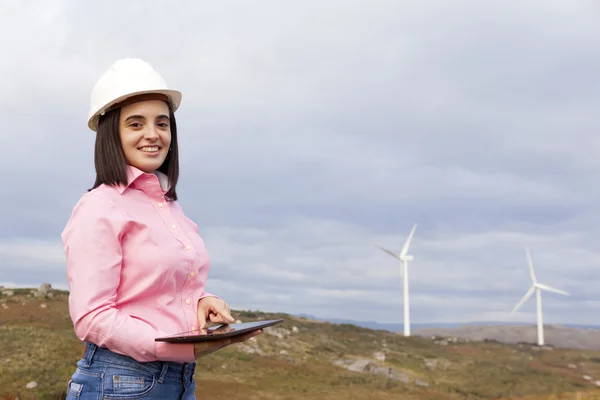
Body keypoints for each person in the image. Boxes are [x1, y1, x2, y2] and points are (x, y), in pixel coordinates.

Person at [61, 58, 262, 399]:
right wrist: (173, 347)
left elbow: (156, 289)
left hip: (180, 380)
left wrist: (202, 301)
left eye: (162, 123)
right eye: (136, 124)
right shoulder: (99, 206)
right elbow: (92, 317)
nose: (153, 135)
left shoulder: (168, 206)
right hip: (119, 381)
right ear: (113, 133)